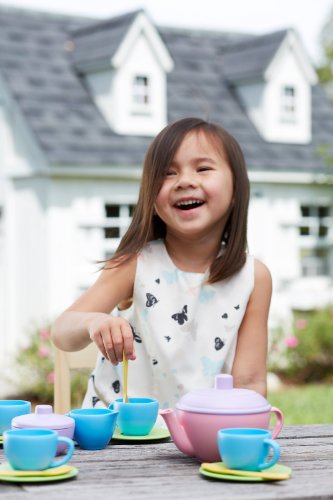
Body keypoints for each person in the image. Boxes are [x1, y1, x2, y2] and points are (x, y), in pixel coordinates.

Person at [51, 117, 272, 411]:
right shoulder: (135, 263)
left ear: (236, 190)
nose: (184, 181)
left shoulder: (253, 277)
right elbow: (62, 332)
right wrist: (94, 321)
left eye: (203, 168)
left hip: (199, 439)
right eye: (167, 173)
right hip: (118, 436)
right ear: (152, 200)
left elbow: (250, 382)